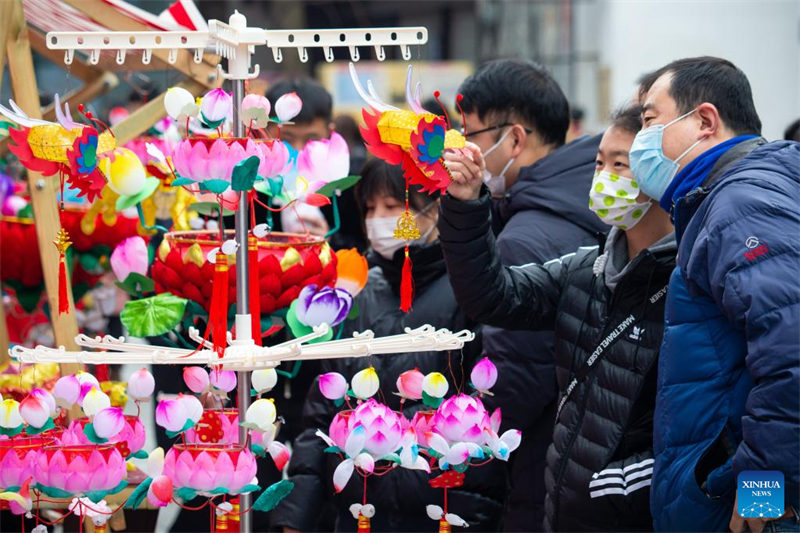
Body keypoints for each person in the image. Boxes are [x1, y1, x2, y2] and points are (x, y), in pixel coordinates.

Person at [438, 104, 675, 531]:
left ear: (660, 174)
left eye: (619, 164)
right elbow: (493, 296)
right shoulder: (585, 269)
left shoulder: (688, 284)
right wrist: (466, 204)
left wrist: (614, 484)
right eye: (599, 163)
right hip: (562, 509)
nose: (603, 176)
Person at [271, 159, 506, 532]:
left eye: (392, 205)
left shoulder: (471, 290)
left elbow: (486, 414)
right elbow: (321, 416)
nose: (377, 219)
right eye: (370, 208)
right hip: (357, 511)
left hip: (438, 510)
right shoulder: (354, 292)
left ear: (435, 208)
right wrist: (295, 516)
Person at [634, 57, 800, 532]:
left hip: (749, 507)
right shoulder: (733, 198)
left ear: (705, 121)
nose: (641, 139)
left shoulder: (741, 204)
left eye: (649, 120)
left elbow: (791, 345)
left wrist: (764, 484)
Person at [443, 58, 608, 530]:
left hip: (541, 465)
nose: (462, 149)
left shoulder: (528, 235)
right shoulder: (579, 196)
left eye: (470, 135)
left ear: (514, 139)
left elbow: (513, 379)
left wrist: (449, 433)